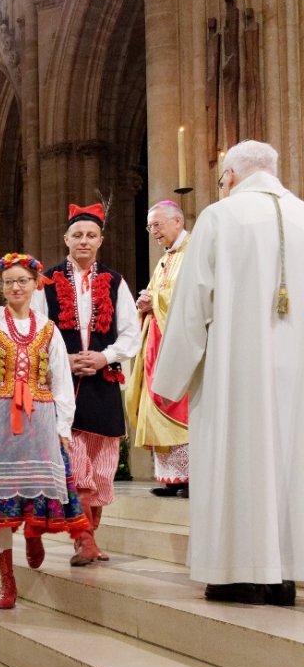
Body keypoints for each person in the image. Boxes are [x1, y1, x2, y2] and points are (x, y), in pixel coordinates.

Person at [153, 139, 304, 606]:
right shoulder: (303, 215)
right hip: (295, 369)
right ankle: (285, 575)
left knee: (237, 460)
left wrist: (169, 379)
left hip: (235, 369)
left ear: (231, 176)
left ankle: (239, 573)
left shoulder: (219, 217)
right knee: (289, 462)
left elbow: (192, 304)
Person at [0, 254, 90, 609]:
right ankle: (7, 580)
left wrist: (63, 426)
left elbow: (61, 381)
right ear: (1, 286)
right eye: (10, 281)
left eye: (23, 281)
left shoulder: (48, 329)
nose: (16, 287)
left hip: (40, 420)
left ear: (35, 284)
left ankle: (34, 531)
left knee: (38, 489)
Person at [33, 202, 141, 563]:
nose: (84, 241)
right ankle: (82, 539)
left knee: (101, 467)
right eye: (77, 235)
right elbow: (36, 332)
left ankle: (90, 535)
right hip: (62, 385)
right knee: (74, 463)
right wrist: (64, 360)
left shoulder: (115, 281)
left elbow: (131, 334)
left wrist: (104, 357)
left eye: (90, 235)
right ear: (66, 239)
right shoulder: (46, 281)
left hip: (102, 382)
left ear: (101, 241)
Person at [127, 200, 192, 497]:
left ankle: (192, 477)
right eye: (149, 226)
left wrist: (156, 301)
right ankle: (173, 478)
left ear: (177, 222)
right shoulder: (166, 257)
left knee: (180, 407)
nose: (152, 231)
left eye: (157, 225)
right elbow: (157, 291)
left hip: (179, 346)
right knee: (156, 403)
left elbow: (193, 297)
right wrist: (146, 300)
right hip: (156, 342)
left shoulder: (193, 252)